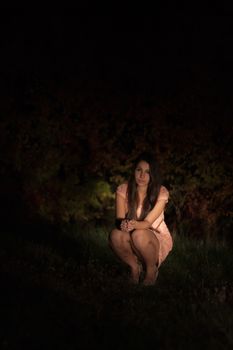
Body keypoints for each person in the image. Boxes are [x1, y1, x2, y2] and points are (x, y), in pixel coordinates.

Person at [109, 152, 173, 286]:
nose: (142, 176)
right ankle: (134, 268)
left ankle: (151, 270)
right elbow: (119, 219)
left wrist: (131, 225)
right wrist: (123, 224)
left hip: (155, 235)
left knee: (139, 234)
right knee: (115, 235)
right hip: (134, 231)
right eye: (139, 170)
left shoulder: (160, 192)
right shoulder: (123, 189)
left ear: (153, 175)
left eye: (147, 172)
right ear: (134, 171)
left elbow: (148, 222)